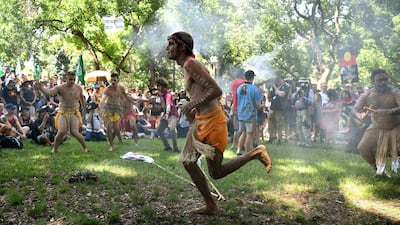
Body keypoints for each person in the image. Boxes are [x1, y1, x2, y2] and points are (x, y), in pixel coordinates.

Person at [166, 31, 272, 214]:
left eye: (170, 44)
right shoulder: (187, 65)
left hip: (214, 122)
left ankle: (256, 152)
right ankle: (211, 205)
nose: (167, 48)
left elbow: (216, 90)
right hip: (201, 121)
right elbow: (202, 93)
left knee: (216, 172)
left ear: (182, 47)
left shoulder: (191, 64)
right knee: (189, 162)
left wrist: (192, 104)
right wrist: (193, 108)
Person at [351, 69, 400, 176]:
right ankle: (380, 171)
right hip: (377, 126)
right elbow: (354, 109)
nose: (383, 82)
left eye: (385, 79)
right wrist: (359, 115)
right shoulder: (367, 95)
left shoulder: (395, 92)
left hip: (396, 126)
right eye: (380, 80)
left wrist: (387, 112)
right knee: (363, 148)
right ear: (373, 81)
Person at [35, 71, 89, 153]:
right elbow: (49, 92)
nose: (72, 81)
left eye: (74, 79)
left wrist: (84, 109)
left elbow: (82, 98)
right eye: (70, 79)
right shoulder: (60, 88)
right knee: (61, 132)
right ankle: (55, 149)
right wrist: (41, 88)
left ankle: (85, 148)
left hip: (74, 112)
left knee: (75, 132)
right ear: (66, 78)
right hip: (63, 112)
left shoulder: (78, 88)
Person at [236, 70, 263, 155]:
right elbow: (258, 105)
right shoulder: (254, 89)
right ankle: (248, 154)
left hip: (241, 113)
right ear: (253, 78)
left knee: (243, 132)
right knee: (249, 134)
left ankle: (239, 151)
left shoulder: (239, 88)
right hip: (250, 114)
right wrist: (262, 106)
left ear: (245, 77)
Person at [99, 73, 127, 151]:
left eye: (115, 80)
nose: (113, 81)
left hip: (117, 108)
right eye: (112, 80)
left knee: (116, 128)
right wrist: (100, 105)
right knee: (108, 126)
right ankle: (111, 145)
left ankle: (119, 139)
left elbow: (125, 97)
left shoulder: (121, 88)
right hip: (108, 108)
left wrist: (128, 103)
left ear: (118, 80)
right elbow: (104, 98)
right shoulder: (107, 89)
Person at [155, 77, 179, 152]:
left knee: (172, 129)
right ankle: (167, 146)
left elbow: (168, 105)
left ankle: (175, 148)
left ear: (163, 86)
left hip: (172, 114)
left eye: (159, 86)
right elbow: (159, 102)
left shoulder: (168, 95)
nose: (158, 88)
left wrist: (166, 114)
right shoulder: (160, 93)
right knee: (160, 130)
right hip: (166, 114)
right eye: (157, 86)